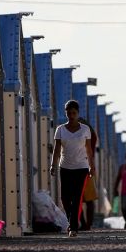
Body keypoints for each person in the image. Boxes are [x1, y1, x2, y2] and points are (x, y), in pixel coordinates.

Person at [50, 100, 95, 237]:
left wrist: (92, 167)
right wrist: (53, 164)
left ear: (78, 113)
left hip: (81, 167)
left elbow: (89, 150)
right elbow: (57, 149)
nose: (71, 115)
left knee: (76, 197)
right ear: (66, 113)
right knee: (64, 197)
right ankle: (72, 221)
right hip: (65, 167)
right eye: (69, 113)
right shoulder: (60, 129)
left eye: (73, 113)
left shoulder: (85, 130)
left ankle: (73, 227)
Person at [78, 116, 98, 230]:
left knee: (89, 199)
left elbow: (94, 135)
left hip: (86, 169)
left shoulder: (90, 140)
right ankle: (83, 223)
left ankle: (88, 224)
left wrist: (84, 123)